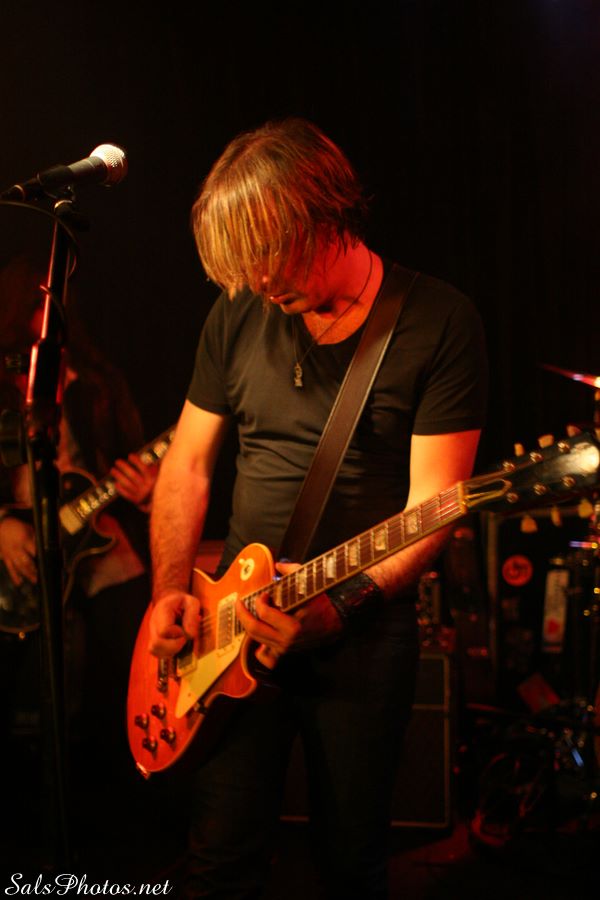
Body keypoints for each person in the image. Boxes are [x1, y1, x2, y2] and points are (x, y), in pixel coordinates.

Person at [148, 118, 487, 899]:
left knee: (349, 866)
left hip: (362, 635)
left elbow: (436, 506)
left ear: (325, 214)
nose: (260, 282)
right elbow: (186, 466)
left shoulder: (439, 321)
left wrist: (345, 604)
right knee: (218, 862)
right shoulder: (239, 312)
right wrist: (170, 588)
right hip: (227, 627)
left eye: (269, 254)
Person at [0, 257, 159, 773]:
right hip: (18, 544)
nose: (49, 311)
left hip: (97, 537)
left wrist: (149, 494)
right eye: (38, 300)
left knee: (130, 652)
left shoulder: (98, 381)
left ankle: (126, 771)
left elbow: (133, 458)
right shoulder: (3, 383)